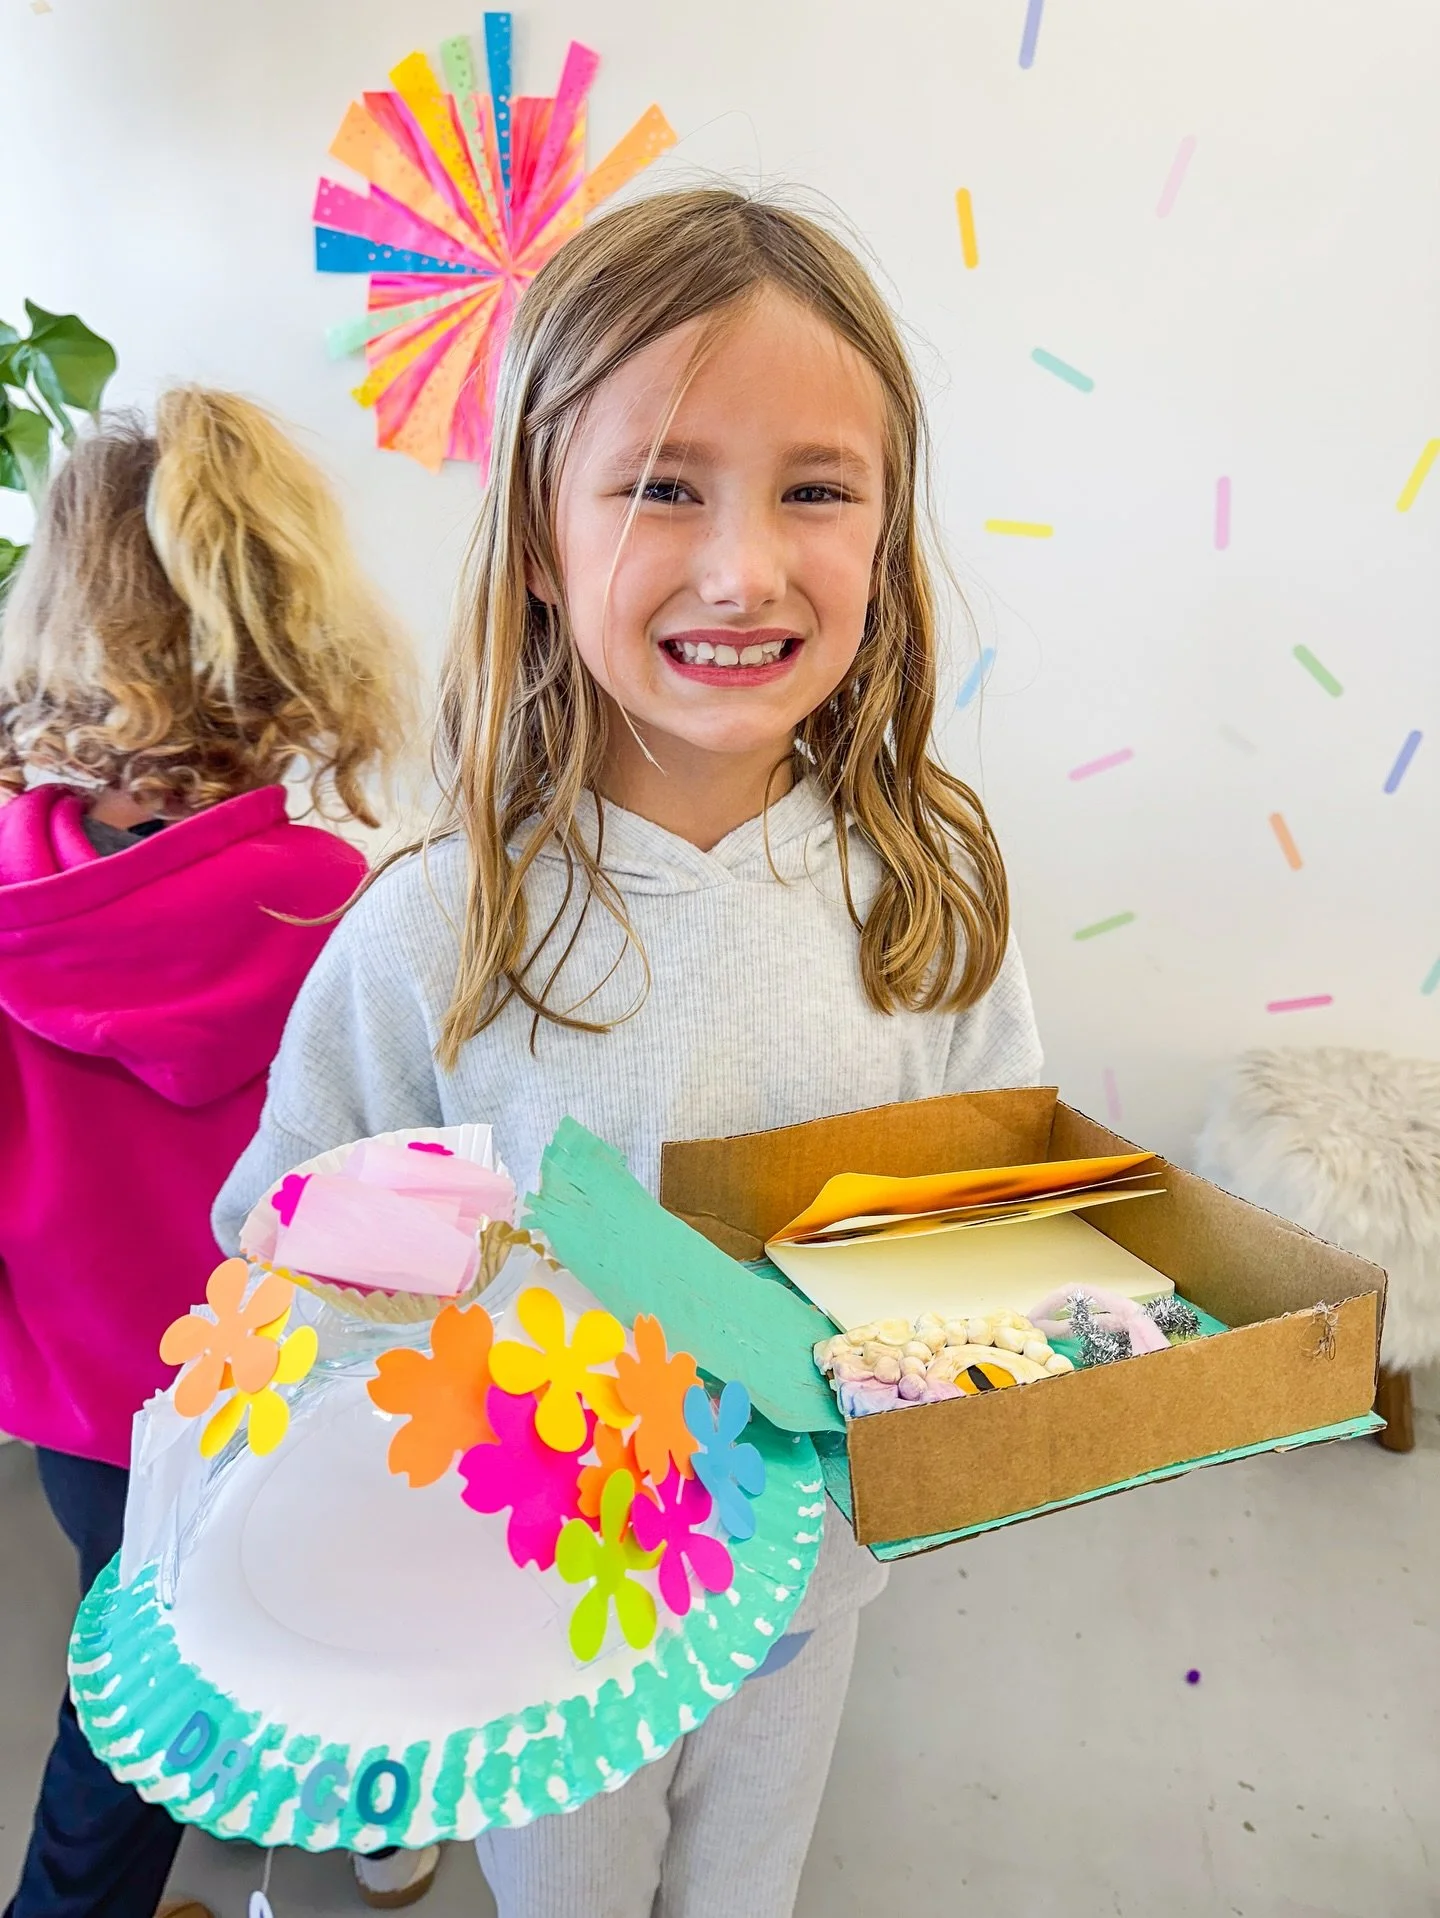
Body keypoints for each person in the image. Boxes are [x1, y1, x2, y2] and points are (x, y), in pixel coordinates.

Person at [213, 188, 1044, 1918]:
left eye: (816, 488)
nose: (744, 567)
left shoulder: (929, 903)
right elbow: (284, 1247)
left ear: (887, 530)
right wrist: (410, 1303)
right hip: (532, 1608)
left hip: (807, 1596)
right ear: (538, 530)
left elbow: (994, 1240)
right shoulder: (437, 929)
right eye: (664, 485)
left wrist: (990, 1342)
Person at [0, 389, 410, 1918]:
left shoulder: (10, 903)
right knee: (206, 1679)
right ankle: (376, 1820)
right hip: (278, 1400)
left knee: (131, 1662)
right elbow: (386, 1207)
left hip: (83, 1418)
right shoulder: (338, 908)